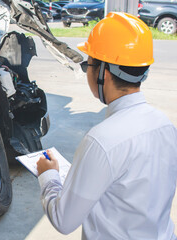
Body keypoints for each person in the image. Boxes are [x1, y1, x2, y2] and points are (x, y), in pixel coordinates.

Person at [37, 12, 177, 240]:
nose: (87, 72)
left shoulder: (101, 141)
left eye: (88, 65)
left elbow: (64, 220)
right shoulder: (165, 125)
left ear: (104, 72)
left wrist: (48, 176)